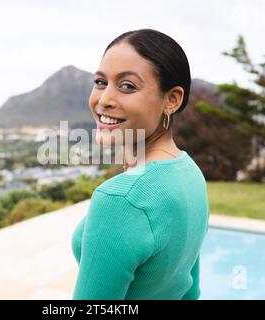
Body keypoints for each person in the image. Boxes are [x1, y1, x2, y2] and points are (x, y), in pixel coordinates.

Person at [71, 28, 210, 299]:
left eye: (127, 86)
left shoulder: (120, 199)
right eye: (101, 82)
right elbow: (190, 290)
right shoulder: (190, 172)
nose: (104, 99)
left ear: (172, 99)